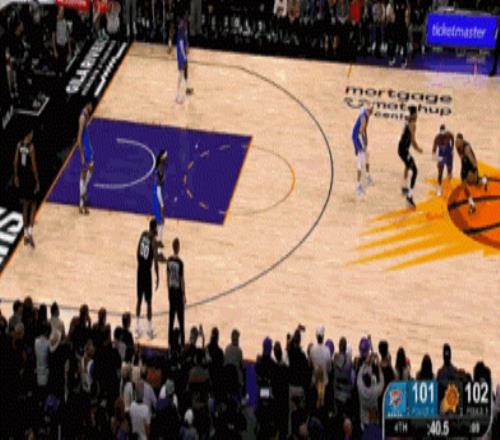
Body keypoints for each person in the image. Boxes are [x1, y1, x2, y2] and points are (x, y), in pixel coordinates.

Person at [13, 129, 39, 248]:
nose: (32, 135)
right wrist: (37, 180)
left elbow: (15, 162)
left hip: (22, 177)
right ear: (29, 134)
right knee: (33, 203)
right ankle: (30, 233)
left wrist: (16, 176)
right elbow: (33, 165)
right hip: (29, 178)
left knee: (25, 205)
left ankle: (25, 234)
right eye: (32, 133)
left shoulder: (19, 145)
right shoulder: (31, 147)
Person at [136, 219, 161, 339]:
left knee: (139, 300)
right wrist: (157, 276)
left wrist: (140, 263)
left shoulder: (143, 234)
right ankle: (149, 330)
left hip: (139, 270)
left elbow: (137, 252)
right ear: (154, 228)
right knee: (149, 301)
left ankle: (137, 328)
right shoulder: (153, 241)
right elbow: (155, 260)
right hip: (146, 273)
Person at [455, 133, 488, 214]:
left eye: (459, 142)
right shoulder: (457, 145)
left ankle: (484, 180)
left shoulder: (467, 149)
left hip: (471, 168)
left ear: (462, 141)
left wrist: (474, 172)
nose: (457, 144)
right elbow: (461, 157)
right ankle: (472, 205)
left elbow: (473, 162)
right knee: (464, 186)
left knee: (476, 185)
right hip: (465, 167)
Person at [398, 105, 423, 208]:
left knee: (408, 165)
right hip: (403, 150)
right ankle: (409, 197)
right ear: (413, 115)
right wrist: (418, 149)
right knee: (415, 171)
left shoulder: (408, 121)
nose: (417, 116)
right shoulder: (412, 124)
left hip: (402, 149)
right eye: (416, 114)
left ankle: (404, 187)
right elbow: (413, 140)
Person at [166, 237, 185, 346]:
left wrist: (168, 291)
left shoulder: (169, 261)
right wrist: (184, 294)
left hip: (171, 290)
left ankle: (169, 342)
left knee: (171, 319)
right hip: (178, 291)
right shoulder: (180, 262)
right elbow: (182, 279)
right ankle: (182, 343)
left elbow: (167, 277)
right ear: (178, 248)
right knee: (181, 319)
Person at [352, 104, 374, 195]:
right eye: (372, 108)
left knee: (367, 156)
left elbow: (364, 130)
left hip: (359, 136)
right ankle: (358, 187)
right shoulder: (364, 117)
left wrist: (366, 141)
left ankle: (367, 177)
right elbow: (361, 131)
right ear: (369, 110)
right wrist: (363, 145)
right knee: (360, 162)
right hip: (357, 137)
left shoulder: (366, 114)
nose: (373, 110)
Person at [77, 102, 94, 215]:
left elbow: (85, 132)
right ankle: (82, 204)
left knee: (90, 170)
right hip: (85, 148)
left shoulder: (86, 114)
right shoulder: (82, 117)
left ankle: (83, 195)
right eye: (91, 106)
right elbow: (79, 138)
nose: (92, 108)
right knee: (83, 176)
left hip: (88, 146)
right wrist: (82, 155)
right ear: (87, 105)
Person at [432, 124, 454, 196]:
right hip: (441, 155)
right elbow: (433, 152)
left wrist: (452, 148)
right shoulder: (437, 138)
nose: (443, 136)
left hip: (448, 153)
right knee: (440, 172)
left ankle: (449, 184)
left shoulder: (448, 134)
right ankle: (439, 188)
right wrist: (438, 159)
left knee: (449, 171)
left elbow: (452, 137)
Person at [176, 16, 193, 104]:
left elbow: (185, 41)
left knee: (185, 72)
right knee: (181, 74)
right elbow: (181, 44)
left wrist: (188, 47)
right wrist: (184, 56)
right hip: (181, 55)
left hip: (183, 54)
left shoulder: (185, 29)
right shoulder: (182, 29)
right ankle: (177, 95)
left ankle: (186, 88)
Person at [152, 149, 168, 244]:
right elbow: (158, 189)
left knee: (160, 220)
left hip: (157, 194)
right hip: (157, 196)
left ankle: (158, 239)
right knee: (160, 220)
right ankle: (158, 240)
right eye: (165, 155)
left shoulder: (161, 167)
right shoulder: (160, 170)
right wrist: (162, 204)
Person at [52, 6, 72, 78]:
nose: (62, 13)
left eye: (63, 11)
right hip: (58, 46)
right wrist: (55, 50)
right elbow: (53, 37)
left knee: (64, 66)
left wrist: (69, 50)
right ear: (58, 11)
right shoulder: (55, 22)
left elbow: (68, 36)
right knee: (58, 67)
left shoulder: (65, 22)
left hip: (64, 46)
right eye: (61, 11)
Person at [389, 0, 409, 67]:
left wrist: (407, 23)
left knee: (404, 44)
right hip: (396, 25)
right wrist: (392, 21)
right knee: (394, 43)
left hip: (403, 25)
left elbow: (407, 13)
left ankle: (404, 59)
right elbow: (392, 13)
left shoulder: (405, 2)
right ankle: (392, 58)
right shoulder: (394, 2)